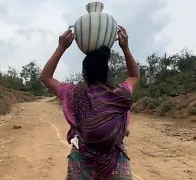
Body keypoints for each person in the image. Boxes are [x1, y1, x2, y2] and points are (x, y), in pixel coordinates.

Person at [41, 25, 139, 180]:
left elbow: (46, 77)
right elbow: (134, 75)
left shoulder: (74, 94)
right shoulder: (121, 93)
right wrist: (125, 48)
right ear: (107, 73)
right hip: (115, 161)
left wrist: (61, 47)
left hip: (81, 159)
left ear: (84, 74)